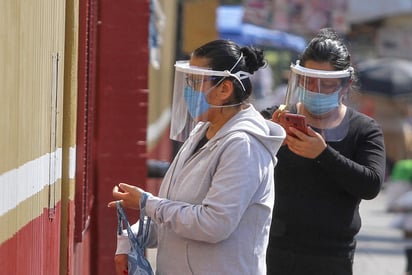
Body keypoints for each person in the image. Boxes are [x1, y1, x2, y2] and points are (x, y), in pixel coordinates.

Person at [108, 39, 285, 275]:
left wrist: (146, 203)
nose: (187, 90)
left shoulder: (244, 146)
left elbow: (214, 224)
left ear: (224, 89)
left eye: (195, 81)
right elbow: (172, 211)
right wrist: (129, 240)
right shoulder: (200, 132)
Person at [263, 28, 386, 275]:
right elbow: (242, 170)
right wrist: (269, 141)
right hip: (275, 250)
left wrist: (323, 154)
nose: (316, 91)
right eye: (309, 82)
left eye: (326, 85)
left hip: (333, 256)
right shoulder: (275, 119)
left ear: (345, 85)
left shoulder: (364, 129)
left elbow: (371, 184)